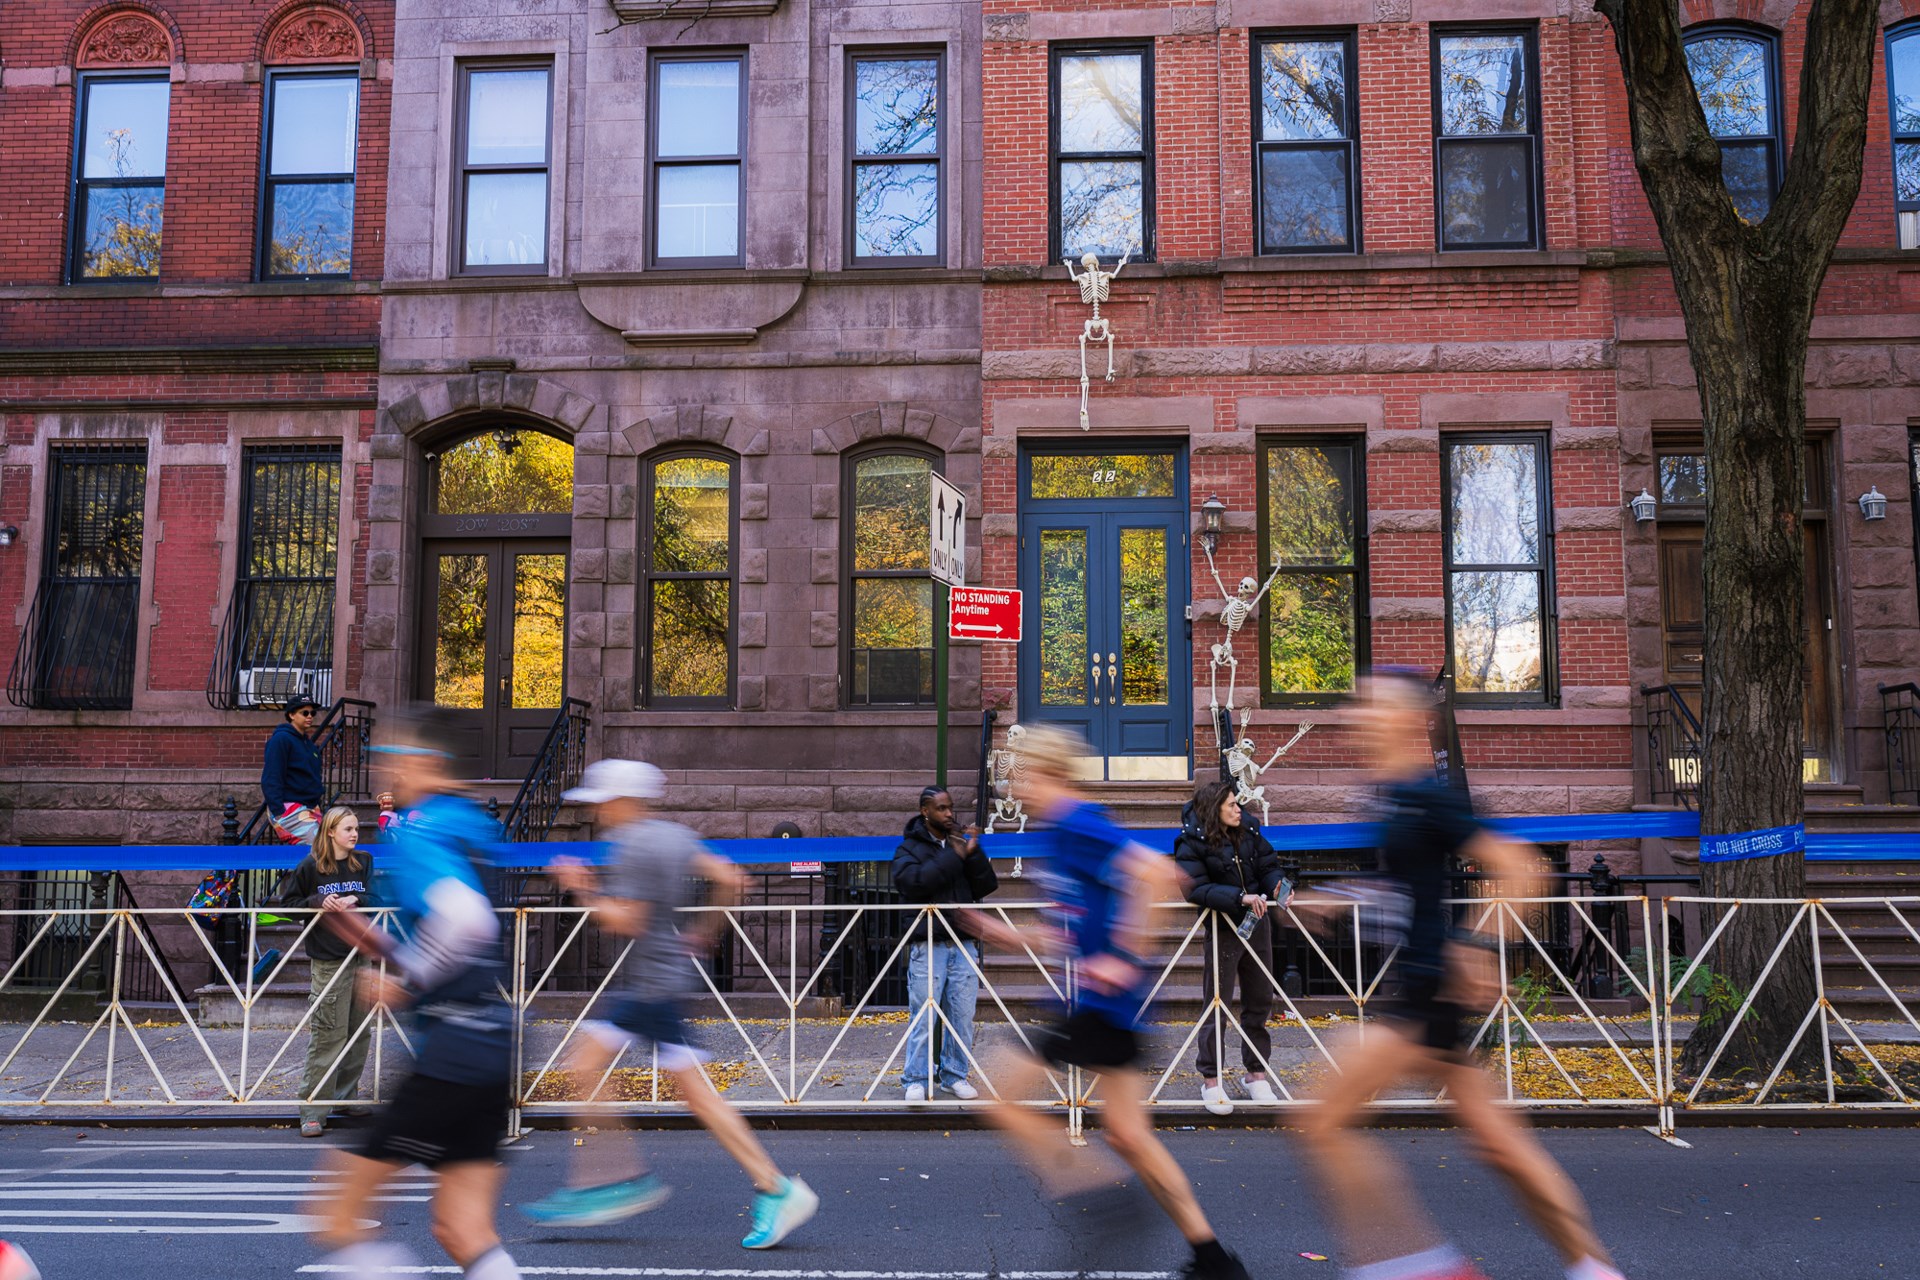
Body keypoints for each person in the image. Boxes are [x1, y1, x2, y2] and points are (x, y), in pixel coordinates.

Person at [1297, 672, 1625, 1280]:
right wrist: (1342, 894)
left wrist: (1477, 945)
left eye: (1372, 706)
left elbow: (1524, 869)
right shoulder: (1390, 794)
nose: (1357, 716)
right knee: (1502, 1147)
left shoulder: (1428, 795)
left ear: (1404, 719)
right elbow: (1407, 881)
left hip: (1428, 989)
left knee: (1321, 1120)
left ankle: (1417, 1265)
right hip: (1427, 990)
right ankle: (1594, 1270)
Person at [965, 725, 1250, 1280]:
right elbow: (1071, 930)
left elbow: (1158, 875)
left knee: (999, 1096)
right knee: (1128, 1136)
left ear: (1045, 773)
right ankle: (1215, 1261)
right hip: (1110, 1006)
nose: (1013, 786)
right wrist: (1010, 936)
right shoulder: (1059, 832)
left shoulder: (1077, 822)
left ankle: (1101, 1199)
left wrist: (1123, 955)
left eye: (1020, 774)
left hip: (1102, 1004)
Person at [520, 758, 818, 1249]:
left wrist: (581, 887)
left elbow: (627, 921)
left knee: (586, 1067)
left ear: (620, 802)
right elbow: (732, 879)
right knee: (689, 1093)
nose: (597, 815)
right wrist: (701, 934)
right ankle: (770, 1186)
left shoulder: (634, 847)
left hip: (649, 988)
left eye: (600, 804)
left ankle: (613, 1182)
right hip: (663, 980)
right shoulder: (673, 835)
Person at [307, 709, 523, 1280]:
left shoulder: (423, 827)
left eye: (396, 761)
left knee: (336, 1217)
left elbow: (466, 918)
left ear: (428, 763)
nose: (389, 774)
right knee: (460, 1228)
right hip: (491, 1041)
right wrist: (388, 949)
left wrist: (408, 973)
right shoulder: (471, 823)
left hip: (451, 1048)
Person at [1173, 778, 1289, 1116]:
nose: (1239, 809)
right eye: (1232, 806)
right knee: (1217, 1001)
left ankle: (1256, 1074)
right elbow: (1194, 888)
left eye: (1238, 804)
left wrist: (1278, 885)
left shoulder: (1248, 830)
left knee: (1260, 997)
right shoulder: (1191, 841)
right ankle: (1211, 1078)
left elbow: (1268, 865)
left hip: (1258, 922)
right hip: (1223, 924)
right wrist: (1238, 897)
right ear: (1214, 810)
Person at [892, 784, 999, 1104]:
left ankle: (954, 1074)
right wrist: (955, 855)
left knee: (962, 1015)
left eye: (951, 807)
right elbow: (916, 884)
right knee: (924, 1015)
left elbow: (987, 884)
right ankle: (915, 1078)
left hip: (963, 941)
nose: (950, 813)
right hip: (929, 943)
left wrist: (974, 851)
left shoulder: (958, 844)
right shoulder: (908, 849)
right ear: (925, 811)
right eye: (942, 808)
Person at [281, 805, 376, 1138]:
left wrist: (354, 900)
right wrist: (319, 903)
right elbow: (287, 907)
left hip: (360, 954)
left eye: (356, 829)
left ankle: (345, 1096)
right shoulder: (310, 866)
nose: (354, 834)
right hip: (328, 958)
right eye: (348, 829)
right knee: (327, 1033)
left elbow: (375, 896)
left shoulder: (363, 862)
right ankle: (312, 1109)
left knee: (359, 1030)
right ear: (331, 832)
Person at [263, 696, 326, 845]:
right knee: (320, 848)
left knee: (329, 847)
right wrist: (279, 812)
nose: (310, 716)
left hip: (310, 808)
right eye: (305, 713)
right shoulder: (281, 740)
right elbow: (271, 776)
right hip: (289, 807)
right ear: (291, 715)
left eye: (312, 713)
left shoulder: (309, 745)